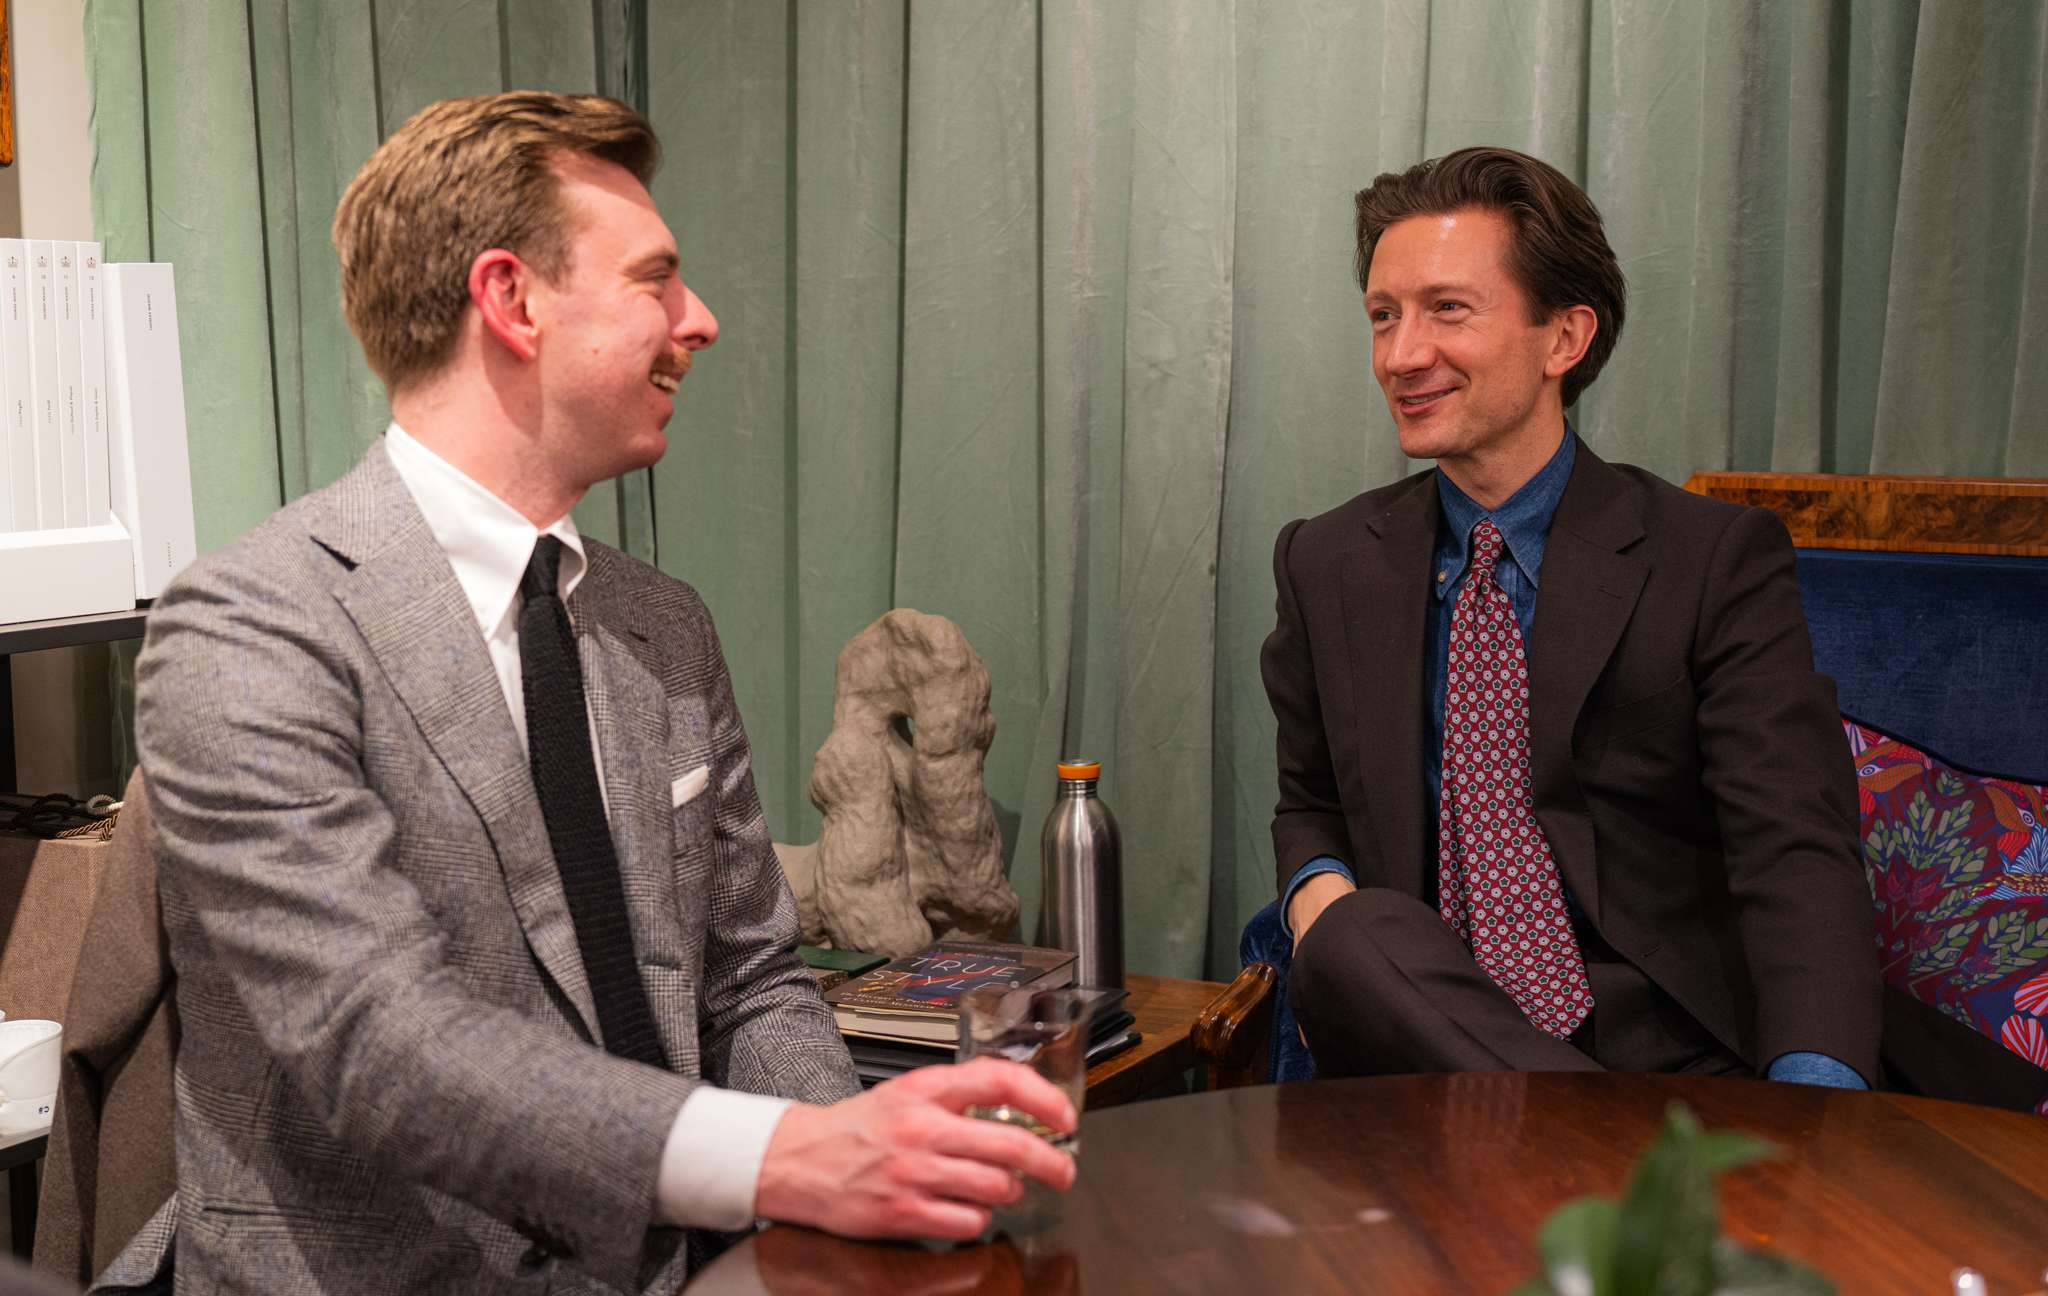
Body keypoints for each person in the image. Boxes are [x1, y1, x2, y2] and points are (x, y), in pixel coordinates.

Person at [128, 92, 1073, 1295]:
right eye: (655, 280)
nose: (702, 320)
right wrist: (792, 1158)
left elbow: (750, 980)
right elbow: (374, 1037)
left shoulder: (662, 625)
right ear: (511, 300)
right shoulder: (248, 627)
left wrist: (874, 1191)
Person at [1265, 146, 1880, 1087]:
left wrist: (1815, 1106)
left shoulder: (1711, 558)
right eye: (1383, 317)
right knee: (1356, 933)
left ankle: (1590, 1166)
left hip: (1675, 1045)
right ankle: (1621, 1180)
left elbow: (1793, 842)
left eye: (1447, 311)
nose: (1401, 355)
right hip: (1428, 1030)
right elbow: (1309, 802)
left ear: (1565, 338)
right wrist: (1318, 899)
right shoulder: (1325, 561)